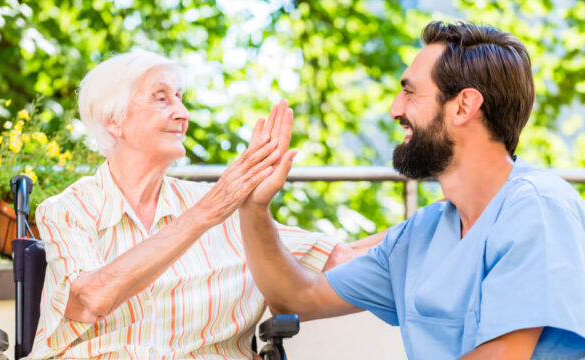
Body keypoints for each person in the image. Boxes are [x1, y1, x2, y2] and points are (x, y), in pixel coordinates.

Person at [239, 21, 585, 359]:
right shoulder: (423, 233)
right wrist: (254, 208)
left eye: (410, 92)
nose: (395, 109)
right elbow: (299, 297)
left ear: (464, 106)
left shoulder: (538, 207)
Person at [26, 51, 380, 359]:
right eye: (162, 99)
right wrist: (205, 214)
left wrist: (431, 221)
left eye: (180, 98)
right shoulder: (68, 210)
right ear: (113, 121)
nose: (182, 113)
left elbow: (337, 258)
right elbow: (92, 299)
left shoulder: (224, 207)